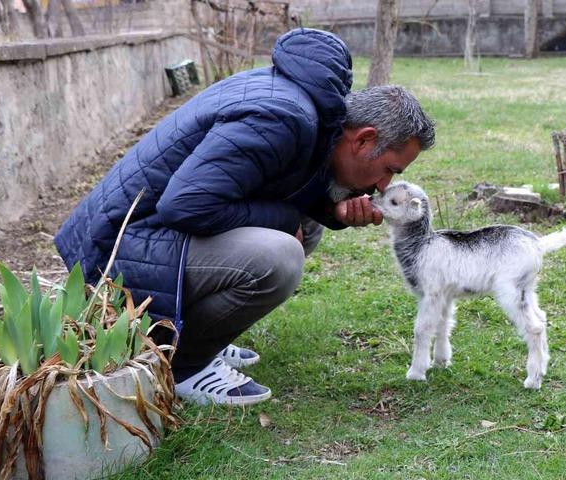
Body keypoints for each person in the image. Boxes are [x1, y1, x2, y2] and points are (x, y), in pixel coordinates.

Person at [53, 28, 435, 406]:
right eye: (389, 169)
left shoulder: (307, 105)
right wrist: (286, 219)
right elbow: (186, 205)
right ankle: (184, 365)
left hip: (136, 230)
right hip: (115, 246)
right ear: (364, 138)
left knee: (307, 227)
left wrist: (332, 208)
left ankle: (202, 336)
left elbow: (274, 180)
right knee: (279, 257)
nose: (384, 185)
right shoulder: (281, 119)